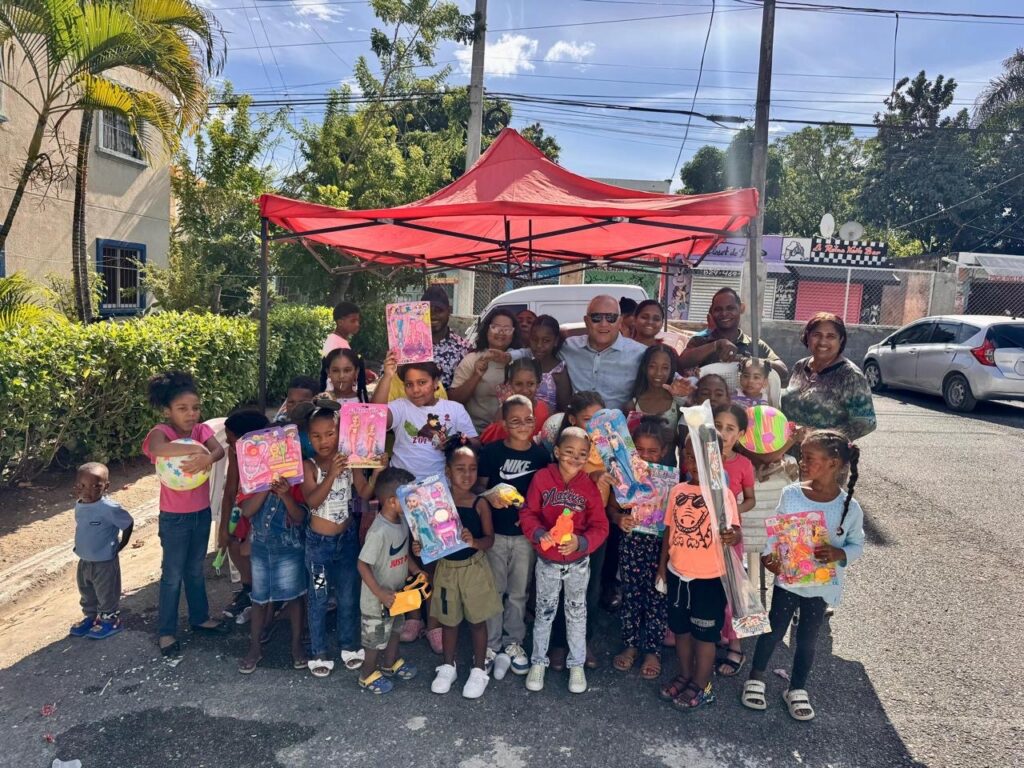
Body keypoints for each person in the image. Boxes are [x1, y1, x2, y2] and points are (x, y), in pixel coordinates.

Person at [742, 430, 864, 721]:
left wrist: (838, 554)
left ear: (833, 463)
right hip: (788, 581)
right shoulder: (792, 494)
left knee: (808, 640)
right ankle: (755, 678)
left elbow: (857, 544)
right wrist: (769, 556)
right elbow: (776, 531)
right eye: (802, 456)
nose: (802, 462)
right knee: (773, 630)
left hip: (821, 589)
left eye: (809, 458)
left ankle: (797, 688)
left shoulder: (848, 507)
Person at [143, 371, 228, 658]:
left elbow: (218, 452)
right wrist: (193, 449)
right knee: (172, 574)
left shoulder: (202, 431)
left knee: (194, 570)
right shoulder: (161, 432)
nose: (191, 414)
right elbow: (157, 449)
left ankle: (199, 617)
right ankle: (166, 631)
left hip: (200, 513)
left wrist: (207, 455)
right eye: (182, 409)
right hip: (174, 518)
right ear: (167, 411)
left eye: (195, 407)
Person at [520, 427, 609, 695]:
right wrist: (539, 534)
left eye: (582, 454)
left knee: (576, 613)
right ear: (557, 451)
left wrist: (581, 543)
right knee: (545, 613)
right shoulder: (542, 478)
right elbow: (528, 513)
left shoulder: (589, 486)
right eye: (568, 452)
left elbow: (600, 526)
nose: (575, 457)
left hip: (578, 563)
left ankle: (577, 663)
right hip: (547, 560)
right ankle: (538, 661)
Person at [656, 435, 741, 710]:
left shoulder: (721, 494)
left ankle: (702, 686)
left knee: (705, 636)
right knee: (681, 630)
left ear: (714, 460)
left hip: (709, 579)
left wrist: (731, 535)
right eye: (688, 455)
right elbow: (668, 531)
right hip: (677, 574)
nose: (693, 462)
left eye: (700, 457)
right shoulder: (678, 491)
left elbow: (735, 530)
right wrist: (661, 569)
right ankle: (685, 675)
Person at [477, 395, 550, 678]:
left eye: (528, 419)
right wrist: (488, 495)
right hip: (494, 534)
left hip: (524, 537)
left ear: (535, 420)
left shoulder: (542, 455)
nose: (522, 425)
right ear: (504, 423)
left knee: (519, 592)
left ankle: (513, 643)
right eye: (515, 420)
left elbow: (546, 496)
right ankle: (491, 645)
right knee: (494, 590)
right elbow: (477, 490)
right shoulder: (492, 452)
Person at [427, 442, 502, 699]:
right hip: (446, 570)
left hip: (474, 569)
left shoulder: (479, 503)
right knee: (449, 622)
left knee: (477, 621)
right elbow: (429, 538)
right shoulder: (437, 501)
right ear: (447, 471)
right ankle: (449, 666)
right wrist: (420, 545)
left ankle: (479, 670)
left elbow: (490, 540)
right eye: (460, 469)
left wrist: (474, 542)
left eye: (472, 469)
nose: (467, 475)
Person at [302, 406, 370, 677]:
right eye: (317, 436)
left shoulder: (349, 462)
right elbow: (312, 500)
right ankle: (319, 650)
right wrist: (331, 473)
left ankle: (349, 645)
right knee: (318, 597)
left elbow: (364, 492)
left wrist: (376, 469)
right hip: (318, 547)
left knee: (347, 595)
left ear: (340, 434)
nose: (324, 441)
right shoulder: (310, 465)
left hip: (347, 542)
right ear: (309, 437)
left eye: (330, 434)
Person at [610, 419, 671, 680]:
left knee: (658, 599)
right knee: (632, 596)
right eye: (641, 451)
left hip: (660, 547)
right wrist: (618, 519)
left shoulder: (669, 480)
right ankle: (631, 644)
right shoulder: (625, 475)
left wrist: (663, 563)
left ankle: (653, 651)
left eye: (652, 451)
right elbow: (612, 507)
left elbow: (671, 523)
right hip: (632, 544)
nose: (646, 457)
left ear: (664, 451)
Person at [357, 467, 421, 694]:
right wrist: (380, 593)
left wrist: (416, 571)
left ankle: (389, 663)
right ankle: (367, 674)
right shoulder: (378, 531)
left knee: (395, 630)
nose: (413, 502)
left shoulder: (402, 521)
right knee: (375, 640)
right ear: (392, 501)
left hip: (397, 595)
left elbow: (403, 553)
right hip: (377, 600)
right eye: (409, 498)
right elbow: (362, 564)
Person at [372, 356, 478, 479]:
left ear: (435, 382)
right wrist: (387, 376)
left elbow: (476, 444)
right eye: (409, 384)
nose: (415, 390)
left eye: (422, 382)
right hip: (401, 484)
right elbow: (376, 418)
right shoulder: (401, 406)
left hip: (440, 487)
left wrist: (458, 441)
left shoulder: (455, 409)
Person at [782, 312, 877, 442]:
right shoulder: (800, 366)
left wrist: (819, 438)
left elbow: (866, 423)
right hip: (787, 451)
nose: (822, 341)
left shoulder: (850, 375)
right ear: (807, 336)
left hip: (824, 457)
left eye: (831, 336)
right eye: (817, 335)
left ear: (841, 339)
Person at [713, 403, 755, 677]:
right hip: (701, 537)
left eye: (730, 429)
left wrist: (730, 509)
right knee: (707, 588)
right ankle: (712, 633)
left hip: (730, 535)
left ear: (739, 434)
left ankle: (735, 645)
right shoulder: (701, 460)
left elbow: (751, 499)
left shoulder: (743, 464)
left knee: (732, 591)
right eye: (718, 427)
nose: (723, 433)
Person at [69, 463, 134, 639]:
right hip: (84, 560)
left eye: (96, 486)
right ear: (76, 486)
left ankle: (111, 621)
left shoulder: (109, 508)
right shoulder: (79, 504)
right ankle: (91, 617)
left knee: (107, 594)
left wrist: (121, 544)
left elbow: (127, 523)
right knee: (87, 592)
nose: (88, 491)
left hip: (104, 561)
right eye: (82, 486)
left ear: (106, 486)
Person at [219, 409, 271, 624]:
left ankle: (267, 598)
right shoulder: (235, 452)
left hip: (270, 510)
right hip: (244, 506)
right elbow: (230, 490)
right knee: (233, 544)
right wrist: (224, 528)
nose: (230, 445)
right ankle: (249, 590)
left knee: (254, 549)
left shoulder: (272, 452)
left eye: (232, 440)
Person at [560, 295, 647, 413]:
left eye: (611, 317)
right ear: (586, 321)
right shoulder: (568, 347)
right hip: (576, 426)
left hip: (618, 428)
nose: (604, 324)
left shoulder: (640, 353)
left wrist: (680, 394)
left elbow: (669, 376)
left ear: (620, 321)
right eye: (596, 317)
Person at [679, 287, 787, 379]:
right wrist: (716, 345)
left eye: (730, 308)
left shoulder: (755, 345)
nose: (724, 313)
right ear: (711, 313)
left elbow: (783, 371)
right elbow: (681, 362)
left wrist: (748, 361)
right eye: (718, 309)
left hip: (748, 403)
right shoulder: (699, 342)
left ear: (741, 308)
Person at [449, 307, 523, 432]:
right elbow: (454, 400)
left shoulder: (520, 360)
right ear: (486, 330)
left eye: (507, 329)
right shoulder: (472, 360)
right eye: (495, 327)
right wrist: (476, 375)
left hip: (511, 433)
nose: (500, 333)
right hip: (474, 433)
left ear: (513, 334)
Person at [627, 343, 693, 439]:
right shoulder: (632, 405)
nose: (658, 373)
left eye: (665, 368)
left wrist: (683, 397)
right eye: (652, 366)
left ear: (671, 370)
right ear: (645, 367)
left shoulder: (677, 402)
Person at [480, 358, 550, 444]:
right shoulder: (504, 412)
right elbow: (491, 442)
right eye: (519, 384)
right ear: (510, 384)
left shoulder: (544, 410)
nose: (525, 390)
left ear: (538, 384)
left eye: (530, 384)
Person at [422, 285, 472, 390]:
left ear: (448, 311)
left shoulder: (464, 348)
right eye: (427, 311)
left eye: (439, 310)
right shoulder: (408, 346)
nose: (432, 315)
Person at [528, 314, 571, 414]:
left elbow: (564, 408)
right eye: (535, 339)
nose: (539, 345)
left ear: (555, 341)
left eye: (546, 341)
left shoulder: (558, 371)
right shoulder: (524, 365)